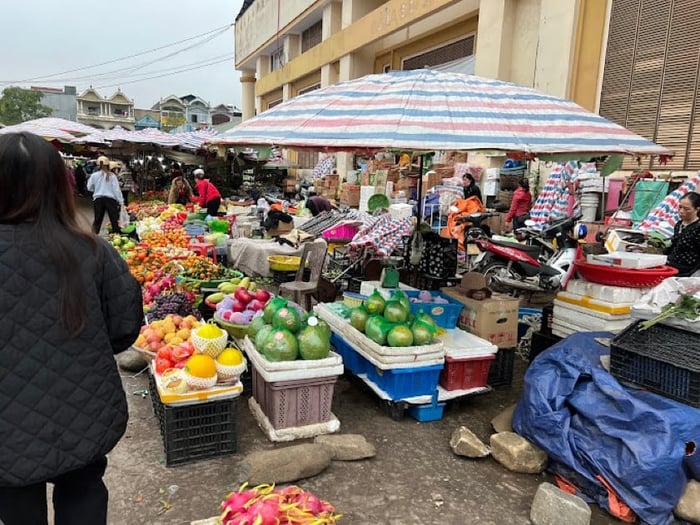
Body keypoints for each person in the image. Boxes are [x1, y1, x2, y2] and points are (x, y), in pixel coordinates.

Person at [0, 132, 143, 525]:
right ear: (58, 185)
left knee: (15, 506)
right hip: (86, 411)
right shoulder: (93, 250)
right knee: (83, 495)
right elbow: (124, 329)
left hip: (7, 428)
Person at [87, 156, 124, 234]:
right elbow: (116, 190)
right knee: (114, 219)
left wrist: (97, 189)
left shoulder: (94, 175)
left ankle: (94, 236)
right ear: (108, 165)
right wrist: (121, 202)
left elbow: (89, 187)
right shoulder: (112, 176)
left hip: (98, 199)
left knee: (97, 219)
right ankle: (116, 235)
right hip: (110, 200)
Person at [666, 191, 700, 277]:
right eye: (680, 207)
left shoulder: (698, 227)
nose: (681, 211)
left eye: (686, 209)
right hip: (672, 266)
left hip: (689, 271)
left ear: (697, 209)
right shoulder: (679, 225)